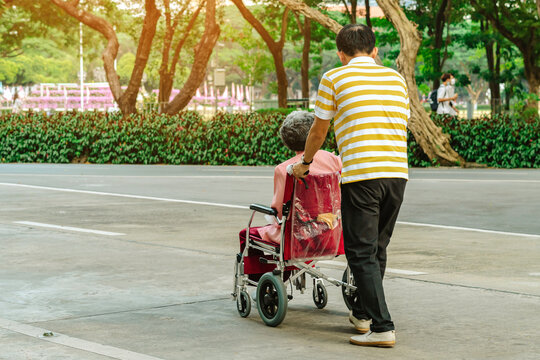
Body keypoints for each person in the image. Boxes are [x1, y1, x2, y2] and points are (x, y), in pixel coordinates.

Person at [291, 24, 409, 348]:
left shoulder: (334, 78)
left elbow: (318, 130)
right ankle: (362, 315)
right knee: (377, 249)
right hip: (397, 174)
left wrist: (306, 162)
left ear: (341, 54)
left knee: (360, 252)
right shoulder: (396, 80)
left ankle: (383, 327)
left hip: (362, 176)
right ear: (375, 52)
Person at [256, 110, 341, 244]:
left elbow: (279, 212)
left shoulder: (284, 169)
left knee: (247, 235)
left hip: (297, 237)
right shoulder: (333, 160)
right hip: (331, 232)